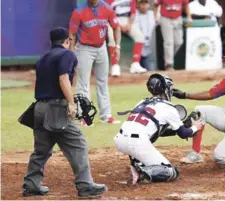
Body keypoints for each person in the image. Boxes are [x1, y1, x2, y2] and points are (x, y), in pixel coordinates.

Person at [22, 27, 107, 198]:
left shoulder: (43, 58)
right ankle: (85, 185)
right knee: (78, 144)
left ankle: (31, 185)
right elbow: (63, 78)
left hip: (39, 108)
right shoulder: (67, 54)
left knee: (41, 150)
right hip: (55, 109)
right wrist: (71, 103)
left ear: (51, 42)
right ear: (67, 41)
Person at [114, 73, 204, 184]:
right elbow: (184, 134)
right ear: (166, 89)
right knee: (171, 172)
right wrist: (195, 127)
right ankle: (143, 173)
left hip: (119, 140)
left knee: (136, 136)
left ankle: (136, 164)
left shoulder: (141, 102)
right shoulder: (169, 108)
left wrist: (175, 131)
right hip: (137, 143)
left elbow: (155, 131)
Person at [69, 0, 121, 125]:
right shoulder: (79, 11)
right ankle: (84, 117)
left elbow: (116, 27)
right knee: (83, 83)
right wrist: (71, 53)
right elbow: (72, 33)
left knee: (103, 82)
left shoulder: (107, 8)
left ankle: (106, 116)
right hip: (84, 48)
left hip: (101, 47)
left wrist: (117, 46)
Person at [106, 0, 147, 77]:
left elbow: (133, 13)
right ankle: (115, 66)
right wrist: (118, 26)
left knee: (140, 37)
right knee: (112, 39)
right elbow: (108, 14)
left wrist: (129, 24)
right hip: (113, 20)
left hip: (127, 20)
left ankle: (135, 64)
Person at [154, 0, 192, 70]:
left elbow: (186, 5)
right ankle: (169, 64)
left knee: (179, 42)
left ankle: (167, 58)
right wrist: (155, 16)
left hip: (178, 18)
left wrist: (189, 16)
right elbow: (156, 5)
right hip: (165, 18)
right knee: (169, 42)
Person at [135, 0, 156, 71]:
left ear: (149, 4)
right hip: (136, 51)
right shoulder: (134, 14)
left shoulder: (152, 14)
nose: (143, 6)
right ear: (138, 4)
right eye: (142, 3)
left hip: (149, 50)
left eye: (145, 3)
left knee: (151, 72)